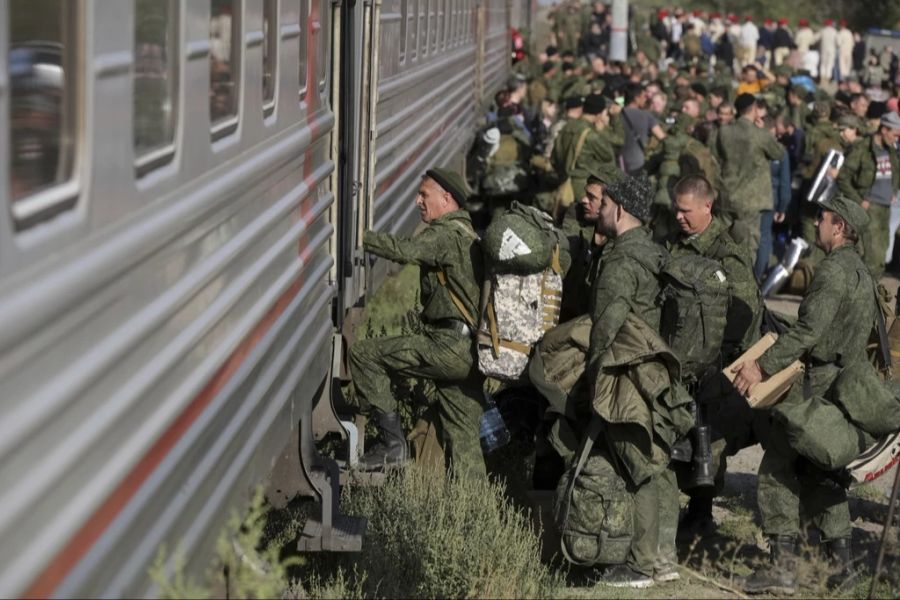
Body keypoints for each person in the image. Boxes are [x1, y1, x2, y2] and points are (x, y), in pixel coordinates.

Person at [732, 194, 875, 595]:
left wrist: (761, 365)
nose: (817, 224)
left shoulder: (832, 272)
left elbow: (808, 332)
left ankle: (782, 570)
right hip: (842, 384)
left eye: (823, 218)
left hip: (816, 387)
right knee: (822, 475)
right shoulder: (862, 272)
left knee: (777, 468)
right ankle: (842, 568)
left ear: (840, 227)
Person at [348, 168, 486, 478]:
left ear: (446, 198)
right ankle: (474, 511)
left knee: (364, 355)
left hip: (447, 348)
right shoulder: (468, 234)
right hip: (471, 351)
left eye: (424, 195)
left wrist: (358, 237)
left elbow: (405, 250)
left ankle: (392, 445)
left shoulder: (445, 234)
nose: (417, 201)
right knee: (464, 440)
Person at [585, 174, 674, 588]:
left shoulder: (621, 261)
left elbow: (605, 328)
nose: (599, 210)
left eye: (603, 204)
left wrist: (591, 378)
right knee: (656, 463)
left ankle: (641, 565)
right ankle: (662, 559)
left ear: (619, 209)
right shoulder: (654, 251)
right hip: (656, 370)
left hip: (626, 372)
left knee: (639, 467)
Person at [666, 175, 764, 539]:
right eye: (676, 209)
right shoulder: (676, 244)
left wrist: (715, 358)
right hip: (679, 356)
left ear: (707, 206)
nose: (678, 216)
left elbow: (744, 311)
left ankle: (701, 513)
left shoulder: (726, 253)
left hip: (714, 364)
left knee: (707, 440)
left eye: (685, 210)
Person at [713, 93, 786, 257]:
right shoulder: (759, 134)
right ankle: (743, 281)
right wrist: (765, 132)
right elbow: (779, 153)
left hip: (727, 195)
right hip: (751, 200)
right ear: (754, 109)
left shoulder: (723, 131)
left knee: (723, 241)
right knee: (747, 247)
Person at [837, 111, 900, 277]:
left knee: (881, 255)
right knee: (870, 255)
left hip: (885, 208)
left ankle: (870, 296)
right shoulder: (863, 148)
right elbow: (843, 177)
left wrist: (894, 191)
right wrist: (859, 200)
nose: (896, 139)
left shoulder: (891, 150)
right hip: (868, 208)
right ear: (884, 130)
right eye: (894, 134)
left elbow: (896, 171)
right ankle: (862, 297)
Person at [620, 83, 667, 175]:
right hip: (637, 164)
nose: (646, 99)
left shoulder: (617, 114)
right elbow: (662, 137)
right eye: (644, 96)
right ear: (637, 98)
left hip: (619, 163)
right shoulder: (646, 115)